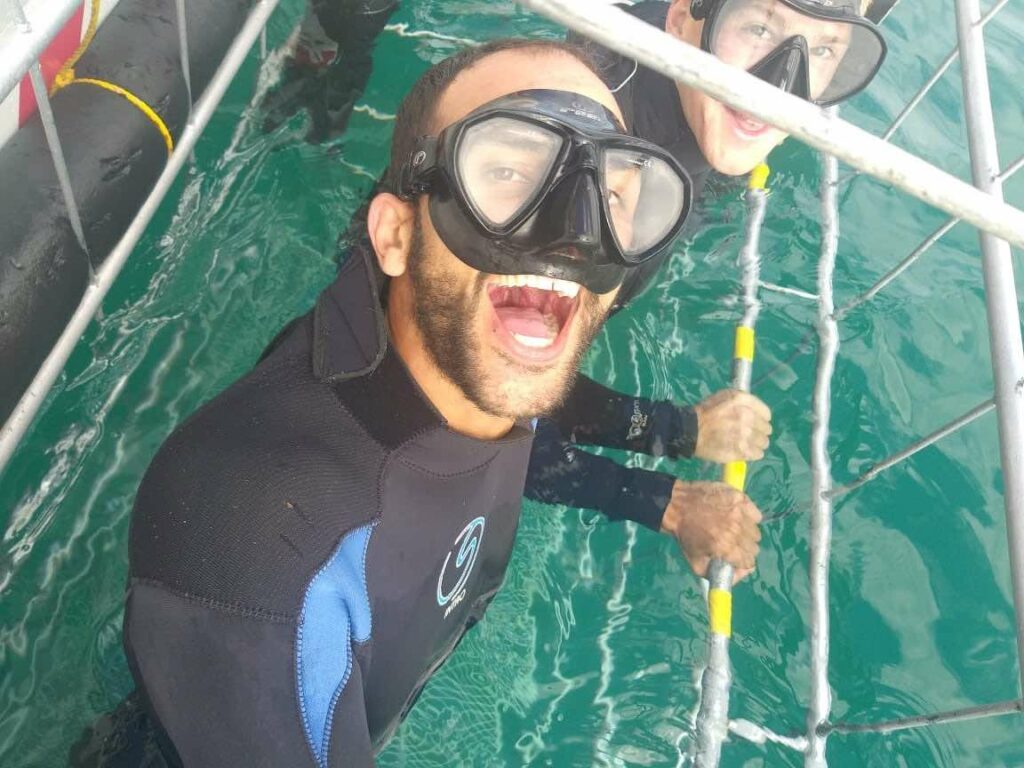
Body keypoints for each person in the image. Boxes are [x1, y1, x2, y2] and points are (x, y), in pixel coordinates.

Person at [123, 39, 765, 766]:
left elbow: (520, 407)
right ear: (395, 233)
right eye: (508, 174)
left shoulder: (462, 348)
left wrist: (671, 443)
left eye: (613, 196)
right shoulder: (265, 564)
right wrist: (668, 490)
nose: (571, 238)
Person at [258, 0, 886, 570]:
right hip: (384, 362)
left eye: (827, 48)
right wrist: (668, 470)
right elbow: (479, 386)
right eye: (758, 26)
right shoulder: (599, 190)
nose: (780, 87)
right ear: (681, 20)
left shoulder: (684, 123)